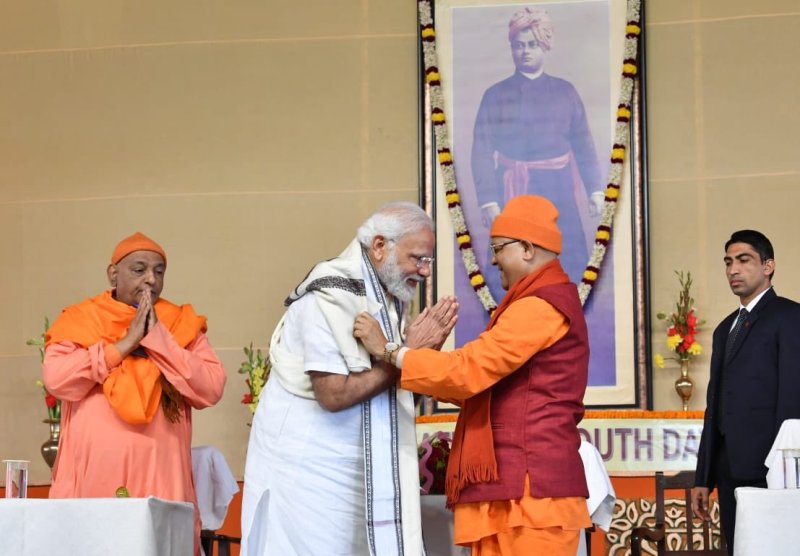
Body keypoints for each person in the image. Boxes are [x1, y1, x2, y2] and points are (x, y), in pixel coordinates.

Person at [354, 195, 591, 555]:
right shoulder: (530, 303)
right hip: (513, 491)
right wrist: (414, 364)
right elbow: (478, 386)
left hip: (531, 493)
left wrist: (390, 350)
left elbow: (470, 371)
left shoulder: (541, 304)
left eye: (498, 248)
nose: (492, 259)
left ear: (527, 248)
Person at [241, 201, 458, 556]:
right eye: (417, 258)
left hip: (356, 468)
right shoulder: (328, 298)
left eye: (429, 261)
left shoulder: (389, 303)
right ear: (379, 246)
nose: (424, 271)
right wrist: (403, 356)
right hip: (309, 468)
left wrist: (416, 358)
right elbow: (333, 395)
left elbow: (396, 391)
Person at [43, 232, 227, 555]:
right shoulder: (82, 319)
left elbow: (211, 386)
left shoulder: (179, 322)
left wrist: (159, 340)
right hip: (92, 486)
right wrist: (123, 345)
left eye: (159, 271)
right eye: (139, 269)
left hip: (163, 480)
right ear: (113, 274)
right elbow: (57, 378)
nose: (150, 280)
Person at [471, 6, 604, 282]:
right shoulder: (495, 95)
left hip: (559, 188)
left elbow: (584, 144)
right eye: (519, 45)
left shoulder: (565, 92)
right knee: (509, 266)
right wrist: (488, 200)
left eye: (532, 45)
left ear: (545, 46)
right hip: (512, 191)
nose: (525, 51)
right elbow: (481, 150)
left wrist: (595, 190)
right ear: (511, 49)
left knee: (569, 263)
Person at [692, 230, 800, 553]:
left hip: (771, 469)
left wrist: (786, 466)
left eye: (743, 260)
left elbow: (793, 395)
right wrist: (703, 476)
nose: (733, 270)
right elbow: (715, 406)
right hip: (728, 470)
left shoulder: (789, 316)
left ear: (768, 266)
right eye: (728, 262)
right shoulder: (725, 329)